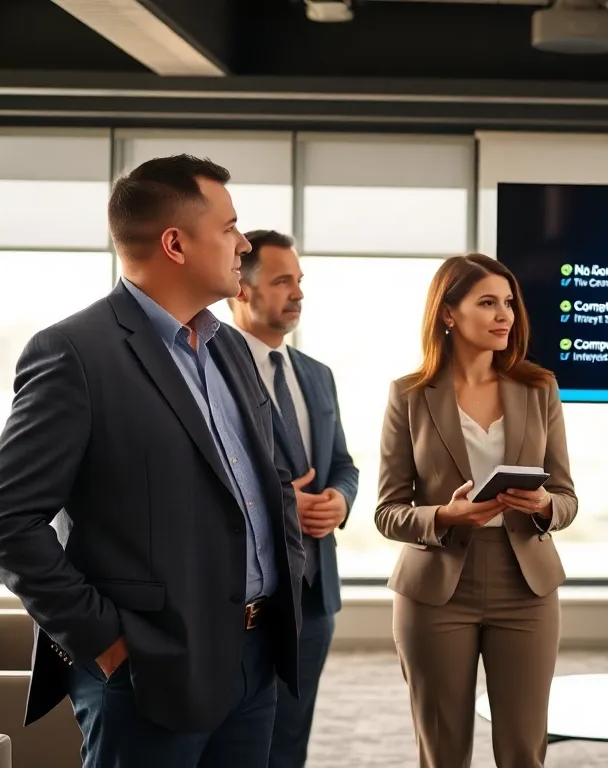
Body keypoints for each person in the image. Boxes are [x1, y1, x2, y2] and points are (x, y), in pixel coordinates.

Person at [0, 155, 305, 768]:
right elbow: (5, 521)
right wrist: (106, 641)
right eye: (230, 227)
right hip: (148, 671)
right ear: (175, 243)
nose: (245, 242)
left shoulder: (228, 345)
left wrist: (290, 575)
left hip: (255, 658)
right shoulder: (74, 353)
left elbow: (269, 479)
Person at [375, 253, 577, 768]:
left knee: (523, 752)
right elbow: (388, 510)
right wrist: (444, 516)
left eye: (508, 303)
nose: (504, 315)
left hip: (525, 586)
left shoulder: (539, 388)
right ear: (448, 313)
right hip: (437, 590)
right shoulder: (409, 395)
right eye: (487, 303)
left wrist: (544, 505)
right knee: (443, 753)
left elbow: (567, 498)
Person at [228, 229, 359, 768]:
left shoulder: (317, 375)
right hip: (245, 594)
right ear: (242, 288)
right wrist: (284, 505)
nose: (297, 292)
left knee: (290, 737)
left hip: (314, 592)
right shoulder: (211, 367)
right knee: (237, 738)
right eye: (283, 281)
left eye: (299, 280)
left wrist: (339, 501)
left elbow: (344, 466)